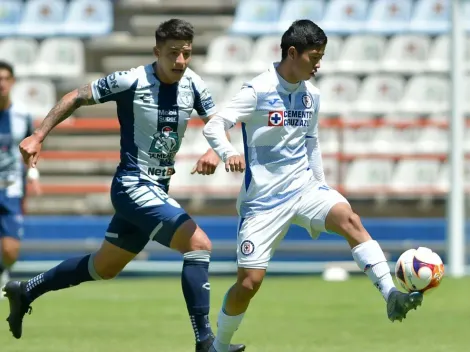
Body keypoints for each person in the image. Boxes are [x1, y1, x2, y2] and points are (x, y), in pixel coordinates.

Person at [2, 19, 245, 352]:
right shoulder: (130, 80)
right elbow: (77, 96)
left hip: (157, 188)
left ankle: (27, 289)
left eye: (185, 53)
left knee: (104, 267)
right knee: (198, 244)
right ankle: (205, 341)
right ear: (157, 51)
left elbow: (216, 124)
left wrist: (214, 149)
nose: (179, 61)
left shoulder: (194, 84)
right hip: (132, 184)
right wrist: (39, 135)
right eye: (173, 53)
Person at [202, 20, 424, 352]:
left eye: (322, 56)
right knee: (248, 284)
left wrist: (322, 191)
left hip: (304, 189)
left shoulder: (312, 96)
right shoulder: (258, 90)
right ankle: (219, 346)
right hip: (263, 202)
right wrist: (229, 152)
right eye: (315, 57)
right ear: (293, 53)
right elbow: (215, 125)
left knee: (349, 218)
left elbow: (311, 142)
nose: (319, 64)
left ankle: (390, 293)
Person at [0, 61, 41, 292]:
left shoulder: (22, 115)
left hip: (11, 188)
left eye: (5, 78)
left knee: (10, 250)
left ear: (13, 82)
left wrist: (33, 172)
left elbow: (31, 148)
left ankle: (2, 269)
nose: (1, 84)